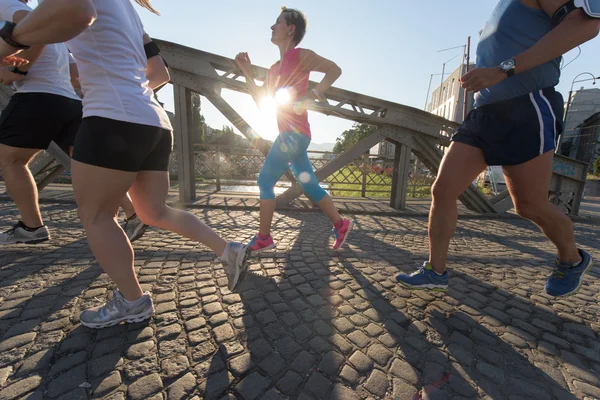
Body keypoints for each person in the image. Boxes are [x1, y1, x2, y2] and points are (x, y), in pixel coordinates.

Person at [0, 0, 251, 328]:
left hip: (110, 117)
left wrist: (12, 38)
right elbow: (158, 72)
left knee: (96, 216)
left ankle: (133, 301)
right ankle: (228, 250)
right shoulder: (127, 8)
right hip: (153, 120)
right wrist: (120, 91)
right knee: (153, 212)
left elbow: (78, 12)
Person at [396, 0, 598, 297]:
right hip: (484, 113)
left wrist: (504, 70)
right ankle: (435, 271)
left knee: (529, 206)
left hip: (527, 105)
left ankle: (572, 259)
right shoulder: (502, 8)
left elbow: (586, 25)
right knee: (443, 190)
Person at [235, 6, 353, 253]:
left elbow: (335, 70)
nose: (271, 26)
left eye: (276, 22)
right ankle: (341, 224)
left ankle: (264, 238)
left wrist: (314, 93)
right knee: (309, 185)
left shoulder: (301, 55)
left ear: (290, 29)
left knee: (265, 180)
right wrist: (247, 71)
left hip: (294, 134)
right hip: (291, 135)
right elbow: (261, 101)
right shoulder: (274, 69)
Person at [0, 0, 82, 245]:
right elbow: (76, 73)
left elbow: (37, 28)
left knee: (10, 159)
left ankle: (32, 226)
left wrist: (18, 72)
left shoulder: (6, 4)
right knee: (84, 163)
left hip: (36, 96)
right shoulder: (50, 23)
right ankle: (133, 214)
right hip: (69, 101)